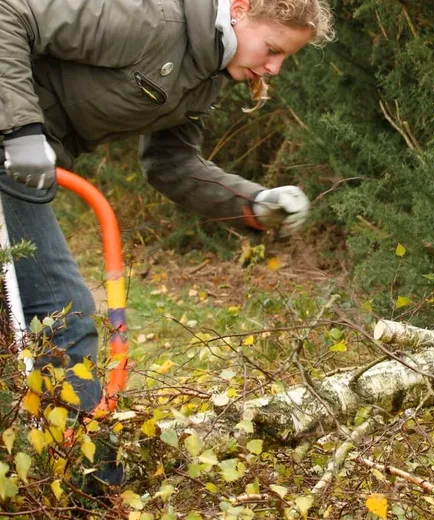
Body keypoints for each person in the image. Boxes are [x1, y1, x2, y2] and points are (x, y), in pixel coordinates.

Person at [0, 0, 334, 485]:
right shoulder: (153, 20)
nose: (274, 68)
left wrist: (254, 202)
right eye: (273, 49)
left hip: (25, 163)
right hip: (10, 151)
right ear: (239, 10)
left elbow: (171, 164)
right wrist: (22, 129)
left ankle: (27, 485)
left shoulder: (205, 77)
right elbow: (11, 13)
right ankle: (91, 502)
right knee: (64, 315)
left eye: (283, 59)